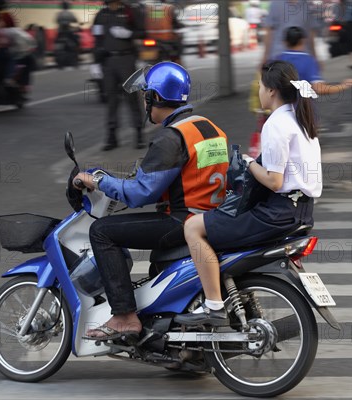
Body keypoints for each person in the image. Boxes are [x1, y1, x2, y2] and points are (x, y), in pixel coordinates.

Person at [71, 62, 230, 340]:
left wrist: (97, 180)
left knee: (102, 231)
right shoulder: (209, 128)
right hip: (211, 217)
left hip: (183, 221)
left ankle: (123, 316)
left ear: (155, 98)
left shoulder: (171, 138)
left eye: (146, 96)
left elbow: (141, 193)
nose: (145, 104)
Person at [176, 60, 321, 326]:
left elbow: (275, 181)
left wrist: (249, 163)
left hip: (276, 212)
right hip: (300, 212)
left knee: (193, 228)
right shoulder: (300, 119)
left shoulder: (276, 124)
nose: (258, 92)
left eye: (260, 87)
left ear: (272, 91)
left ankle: (214, 306)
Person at [92, 0, 146, 151]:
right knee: (111, 100)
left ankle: (139, 133)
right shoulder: (101, 15)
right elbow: (97, 40)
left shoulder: (130, 11)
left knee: (132, 98)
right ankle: (111, 136)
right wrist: (95, 62)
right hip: (108, 61)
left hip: (126, 59)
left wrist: (129, 34)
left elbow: (143, 32)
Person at [276, 26, 352, 96]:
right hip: (301, 111)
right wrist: (343, 85)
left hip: (279, 111)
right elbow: (320, 89)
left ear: (285, 42)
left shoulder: (276, 60)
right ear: (303, 41)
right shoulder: (308, 60)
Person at [260, 0, 318, 67]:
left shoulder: (307, 6)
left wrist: (315, 57)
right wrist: (265, 57)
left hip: (303, 57)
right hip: (278, 58)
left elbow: (311, 33)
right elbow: (269, 31)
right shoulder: (275, 4)